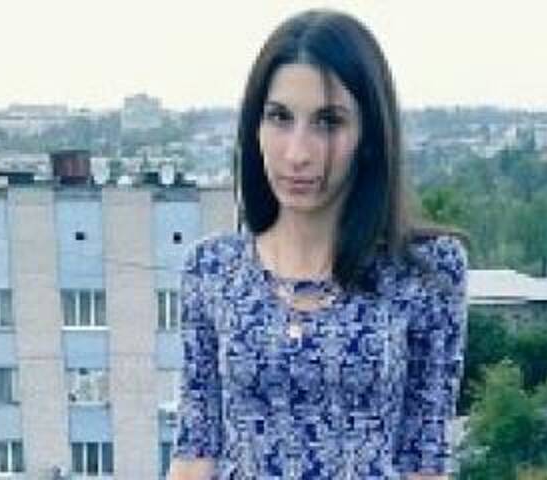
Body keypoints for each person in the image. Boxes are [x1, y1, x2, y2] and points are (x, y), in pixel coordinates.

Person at [168, 8, 468, 480]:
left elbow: (425, 460)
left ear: (368, 135)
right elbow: (195, 450)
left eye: (328, 122)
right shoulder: (212, 269)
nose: (297, 153)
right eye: (279, 117)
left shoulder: (426, 273)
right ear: (254, 127)